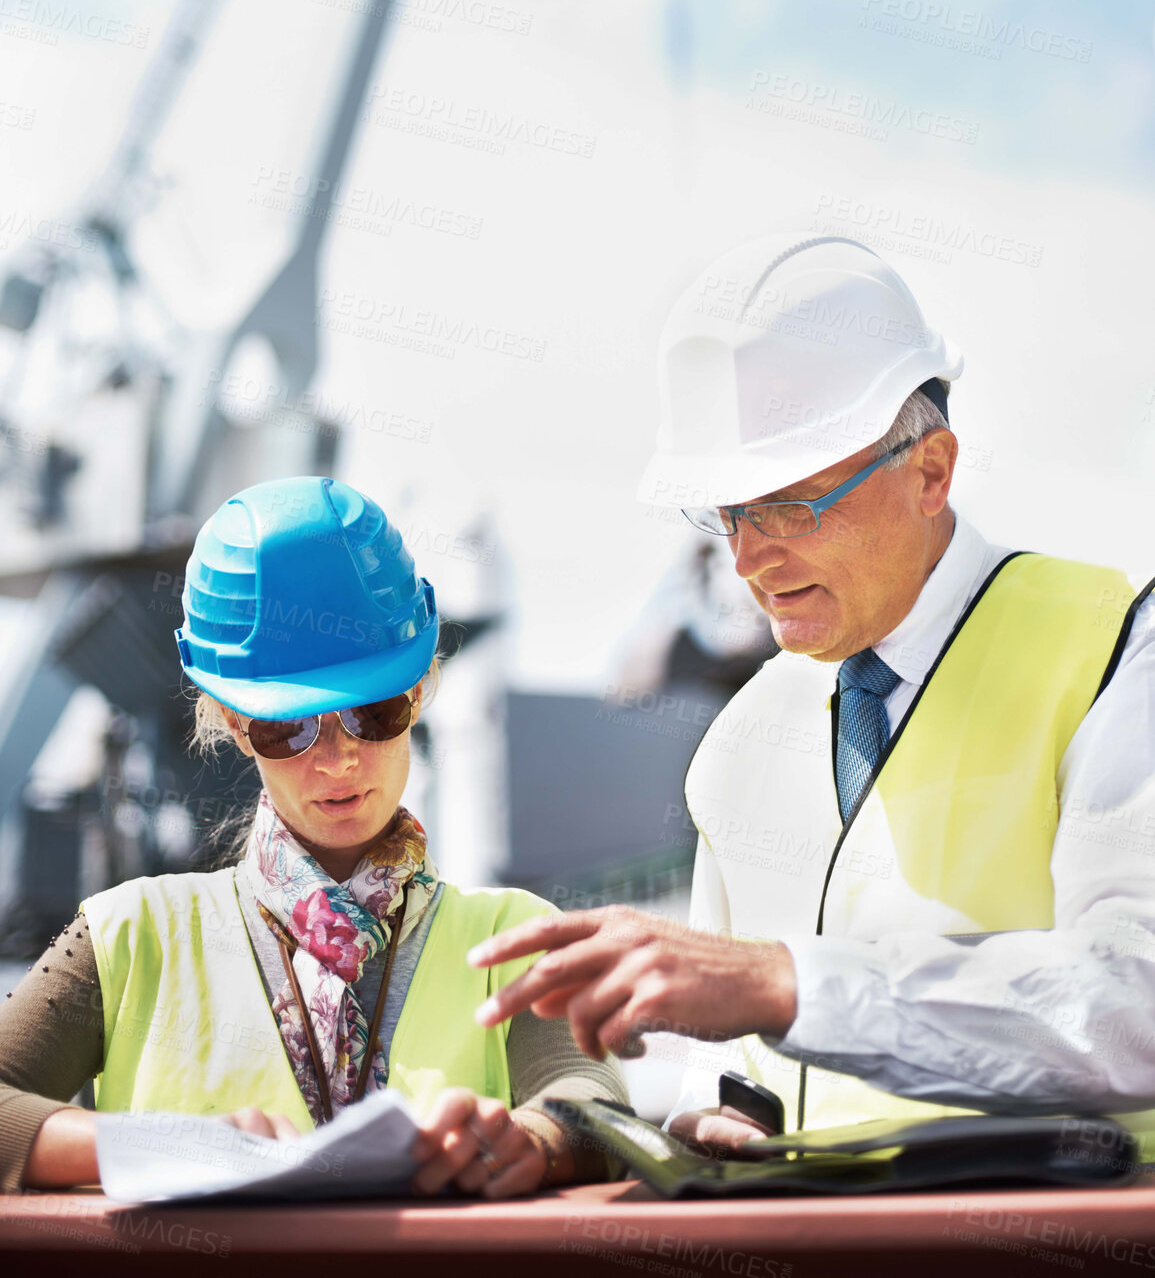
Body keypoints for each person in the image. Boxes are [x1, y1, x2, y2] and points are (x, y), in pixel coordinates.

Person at [468, 232, 1155, 1155]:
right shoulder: (742, 741)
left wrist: (793, 985)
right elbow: (723, 1061)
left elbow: (1133, 1003)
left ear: (931, 472)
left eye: (789, 504)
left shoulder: (1117, 650)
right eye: (728, 514)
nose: (749, 558)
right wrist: (707, 1110)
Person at [0, 475, 625, 1195]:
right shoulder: (125, 938)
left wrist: (536, 1140)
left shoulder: (518, 939)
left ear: (419, 691)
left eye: (375, 712)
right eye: (287, 727)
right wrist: (143, 1144)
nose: (339, 758)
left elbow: (590, 1102)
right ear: (236, 726)